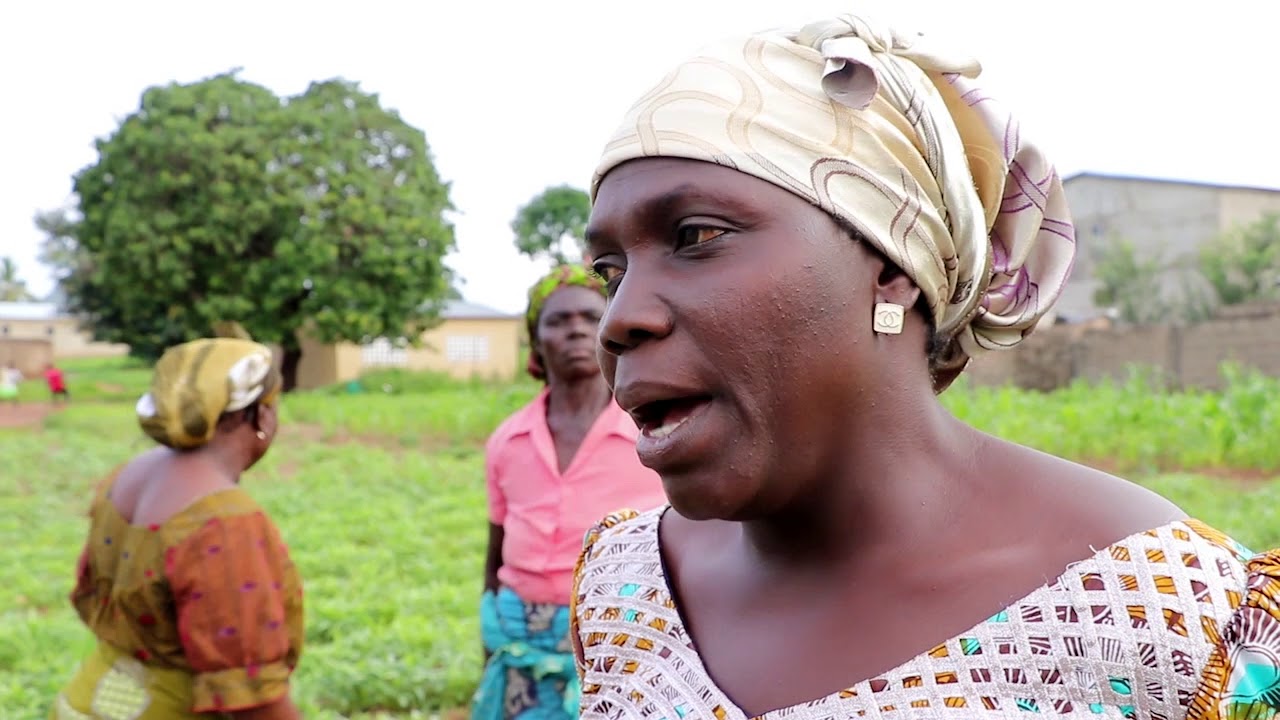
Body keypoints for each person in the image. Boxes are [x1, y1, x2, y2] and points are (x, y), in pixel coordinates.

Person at [570, 11, 1280, 720]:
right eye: (609, 270)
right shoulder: (622, 590)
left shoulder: (1164, 620)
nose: (619, 319)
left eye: (697, 235)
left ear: (890, 266)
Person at [51, 335, 305, 720]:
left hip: (87, 701)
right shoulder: (224, 521)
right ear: (258, 415)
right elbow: (255, 698)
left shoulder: (125, 477)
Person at [473, 264, 668, 720]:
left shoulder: (653, 431)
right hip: (520, 637)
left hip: (622, 637)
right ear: (537, 341)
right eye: (558, 320)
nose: (576, 330)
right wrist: (490, 652)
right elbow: (495, 554)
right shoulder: (508, 440)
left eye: (589, 316)